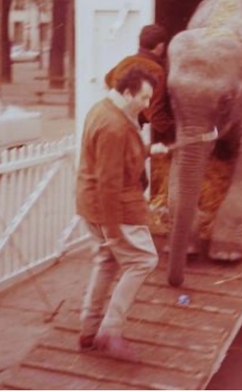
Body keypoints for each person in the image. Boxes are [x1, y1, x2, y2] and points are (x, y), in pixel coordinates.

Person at [76, 66, 167, 361]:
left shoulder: (103, 109)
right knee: (143, 260)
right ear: (127, 92)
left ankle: (88, 331)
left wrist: (149, 149)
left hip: (90, 204)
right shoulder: (115, 126)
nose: (146, 104)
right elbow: (109, 182)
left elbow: (115, 157)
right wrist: (114, 230)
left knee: (106, 261)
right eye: (143, 97)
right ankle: (109, 332)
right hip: (113, 208)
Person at [105, 24, 175, 144]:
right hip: (128, 130)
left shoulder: (126, 61)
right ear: (160, 46)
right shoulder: (156, 70)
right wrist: (177, 132)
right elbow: (155, 115)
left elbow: (107, 79)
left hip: (111, 120)